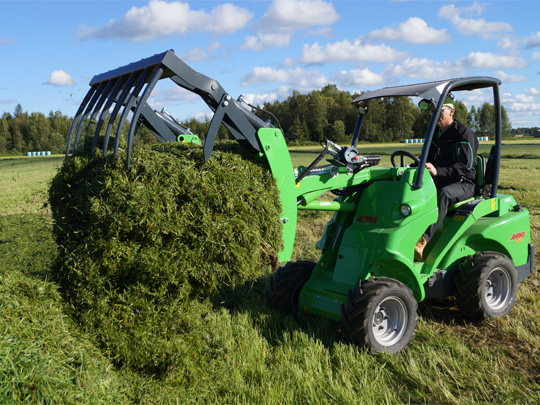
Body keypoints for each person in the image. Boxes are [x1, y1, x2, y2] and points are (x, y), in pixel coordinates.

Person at [414, 95, 479, 261]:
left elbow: (466, 168)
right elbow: (427, 159)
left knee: (444, 194)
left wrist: (437, 171)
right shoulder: (435, 134)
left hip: (463, 183)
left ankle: (422, 240)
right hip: (441, 178)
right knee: (413, 189)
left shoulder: (463, 134)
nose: (434, 115)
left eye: (439, 111)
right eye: (432, 112)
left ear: (451, 112)